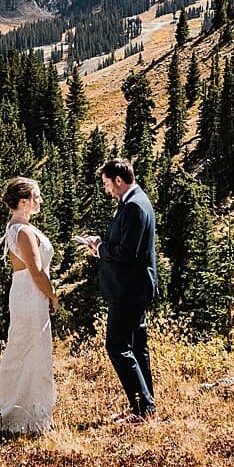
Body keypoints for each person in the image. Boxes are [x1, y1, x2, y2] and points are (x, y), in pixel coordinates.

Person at [79, 158, 159, 423]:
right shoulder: (135, 201)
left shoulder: (135, 207)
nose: (106, 190)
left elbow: (127, 253)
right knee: (137, 346)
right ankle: (144, 405)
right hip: (134, 287)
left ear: (119, 180)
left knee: (117, 346)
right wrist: (101, 243)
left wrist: (100, 250)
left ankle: (142, 410)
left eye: (107, 184)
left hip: (129, 289)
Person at [0, 177, 57, 435]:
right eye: (36, 197)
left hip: (24, 292)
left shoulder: (17, 228)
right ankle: (24, 414)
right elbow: (36, 271)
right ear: (24, 201)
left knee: (25, 348)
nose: (40, 201)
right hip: (31, 292)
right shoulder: (23, 231)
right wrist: (53, 295)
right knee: (31, 349)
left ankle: (20, 407)